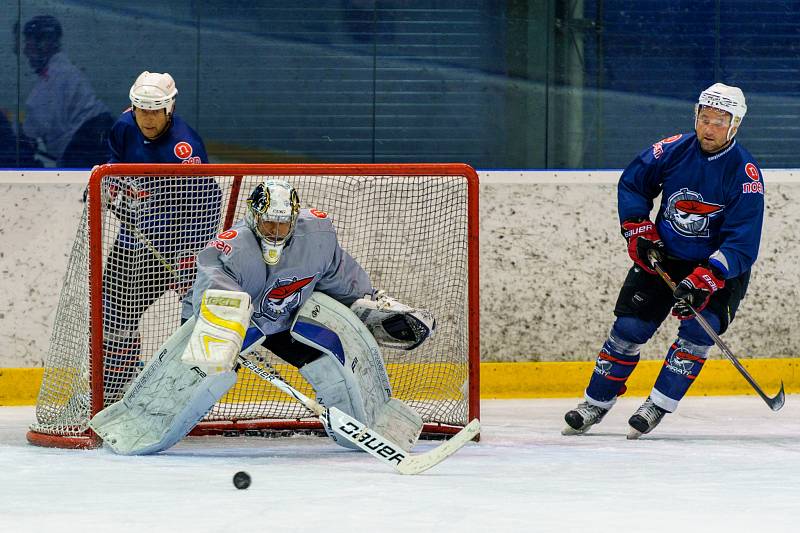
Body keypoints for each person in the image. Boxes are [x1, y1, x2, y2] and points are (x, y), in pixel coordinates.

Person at [562, 83, 764, 439]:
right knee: (628, 330)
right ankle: (595, 403)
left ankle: (657, 404)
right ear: (696, 116)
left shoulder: (744, 173)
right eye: (705, 117)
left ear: (735, 125)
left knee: (695, 335)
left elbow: (742, 243)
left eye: (720, 120)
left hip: (718, 270)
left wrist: (707, 277)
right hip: (664, 259)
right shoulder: (670, 150)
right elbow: (633, 185)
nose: (710, 127)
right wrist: (639, 230)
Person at [175, 179, 435, 452]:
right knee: (206, 375)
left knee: (329, 362)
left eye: (282, 224)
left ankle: (356, 426)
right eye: (268, 224)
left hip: (285, 319)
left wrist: (367, 304)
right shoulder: (232, 248)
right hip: (233, 324)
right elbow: (211, 294)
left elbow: (340, 278)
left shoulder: (317, 237)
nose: (275, 232)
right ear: (253, 218)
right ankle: (170, 415)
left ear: (294, 220)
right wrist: (221, 333)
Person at [100, 71, 221, 401]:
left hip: (172, 245)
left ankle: (185, 395)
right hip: (134, 238)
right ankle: (113, 389)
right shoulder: (124, 125)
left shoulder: (185, 149)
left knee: (190, 323)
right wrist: (111, 187)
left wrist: (191, 255)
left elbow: (206, 203)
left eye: (155, 111)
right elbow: (116, 160)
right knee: (112, 310)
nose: (147, 119)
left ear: (170, 108)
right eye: (142, 110)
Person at [15, 15, 113, 167]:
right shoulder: (63, 70)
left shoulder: (56, 75)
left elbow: (33, 128)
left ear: (44, 44)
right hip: (93, 143)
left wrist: (21, 137)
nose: (25, 51)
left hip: (86, 147)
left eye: (28, 44)